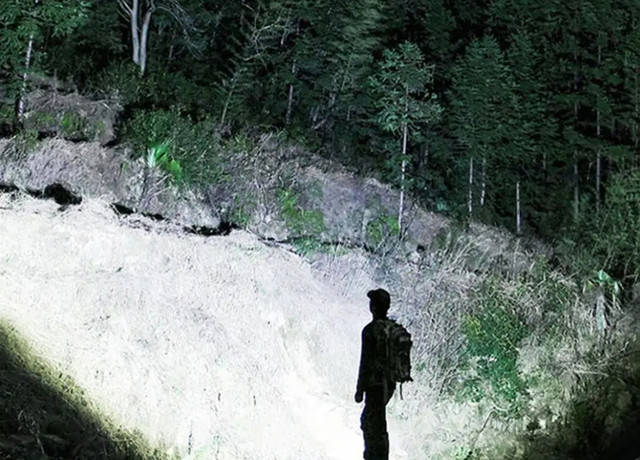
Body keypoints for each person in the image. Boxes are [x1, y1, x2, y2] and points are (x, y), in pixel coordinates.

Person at [355, 288, 396, 460]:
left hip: (374, 385)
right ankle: (381, 456)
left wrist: (359, 390)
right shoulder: (393, 328)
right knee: (378, 423)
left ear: (373, 307)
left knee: (369, 422)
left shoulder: (370, 330)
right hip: (389, 385)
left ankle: (373, 457)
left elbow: (365, 362)